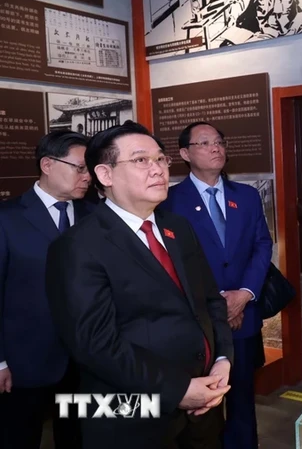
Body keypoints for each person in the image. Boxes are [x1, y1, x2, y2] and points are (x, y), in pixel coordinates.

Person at [44, 121, 234, 449]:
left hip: (205, 407)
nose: (158, 169)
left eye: (160, 159)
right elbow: (95, 344)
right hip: (133, 416)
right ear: (105, 175)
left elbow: (209, 301)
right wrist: (178, 391)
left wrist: (222, 359)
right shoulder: (78, 245)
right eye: (141, 160)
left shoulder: (178, 227)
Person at [160, 122, 272, 449]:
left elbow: (262, 246)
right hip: (197, 322)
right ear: (184, 153)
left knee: (242, 401)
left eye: (220, 142)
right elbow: (170, 259)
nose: (215, 148)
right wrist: (218, 305)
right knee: (199, 408)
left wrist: (244, 294)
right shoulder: (168, 200)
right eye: (205, 142)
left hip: (245, 315)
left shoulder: (247, 196)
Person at [0, 130, 92, 449]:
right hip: (23, 364)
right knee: (20, 438)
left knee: (77, 438)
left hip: (83, 362)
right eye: (80, 167)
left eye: (90, 167)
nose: (88, 176)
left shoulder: (93, 216)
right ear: (48, 165)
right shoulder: (7, 219)